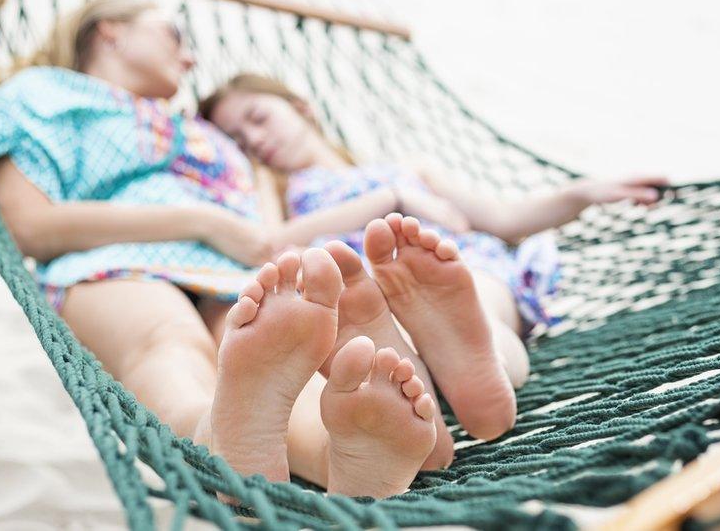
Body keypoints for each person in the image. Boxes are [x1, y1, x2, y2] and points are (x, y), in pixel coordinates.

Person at [0, 0, 448, 499]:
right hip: (112, 258)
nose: (192, 59)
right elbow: (28, 225)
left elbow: (266, 231)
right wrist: (200, 221)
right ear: (110, 31)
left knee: (279, 366)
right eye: (176, 35)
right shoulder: (41, 95)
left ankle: (342, 458)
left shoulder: (206, 135)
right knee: (168, 340)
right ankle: (216, 439)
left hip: (230, 270)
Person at [200, 73, 668, 465]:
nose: (256, 141)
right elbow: (273, 242)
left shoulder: (412, 168)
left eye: (258, 119)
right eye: (241, 141)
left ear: (301, 106)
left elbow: (502, 219)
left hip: (452, 262)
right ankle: (453, 365)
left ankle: (474, 359)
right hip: (367, 287)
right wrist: (391, 200)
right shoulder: (279, 190)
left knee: (472, 301)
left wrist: (581, 194)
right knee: (385, 325)